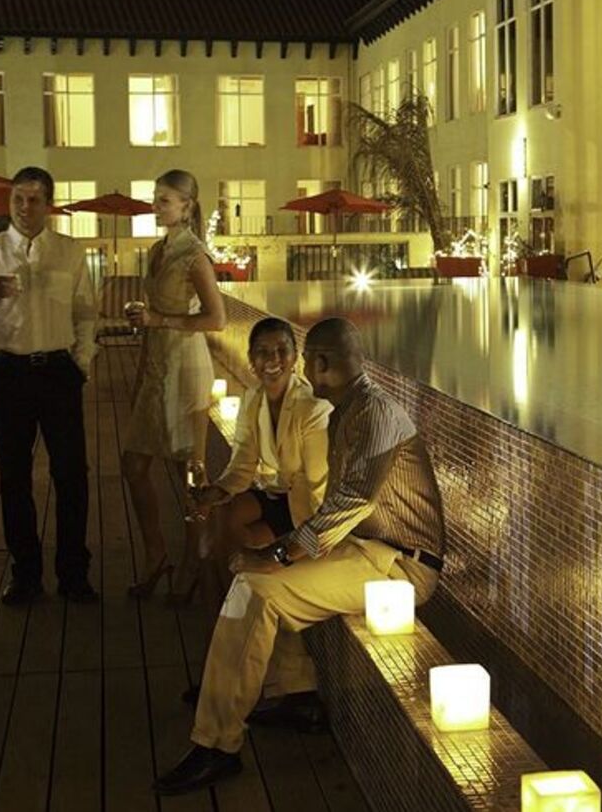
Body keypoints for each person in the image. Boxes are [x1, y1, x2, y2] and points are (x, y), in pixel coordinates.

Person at [153, 317, 447, 796]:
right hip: (364, 549)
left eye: (307, 360)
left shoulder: (374, 413)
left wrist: (281, 552)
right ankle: (285, 697)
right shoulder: (349, 410)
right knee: (253, 584)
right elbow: (332, 503)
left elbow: (352, 500)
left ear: (322, 362)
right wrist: (281, 550)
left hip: (399, 567)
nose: (304, 371)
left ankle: (218, 743)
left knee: (258, 586)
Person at [0, 167, 100, 605]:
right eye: (18, 197)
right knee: (14, 475)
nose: (25, 206)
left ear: (49, 204)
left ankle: (74, 572)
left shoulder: (70, 252)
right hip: (7, 371)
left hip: (58, 370)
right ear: (9, 201)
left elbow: (86, 311)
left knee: (72, 474)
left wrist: (82, 362)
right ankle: (26, 574)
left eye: (35, 199)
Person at [121, 169, 225, 600]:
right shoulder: (158, 250)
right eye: (155, 198)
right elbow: (153, 316)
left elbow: (216, 320)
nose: (155, 206)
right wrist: (143, 359)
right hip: (157, 364)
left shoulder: (194, 255)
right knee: (134, 464)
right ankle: (156, 555)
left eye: (164, 200)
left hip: (186, 365)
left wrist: (158, 320)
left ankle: (193, 564)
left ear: (188, 206)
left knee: (192, 470)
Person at [189, 317, 331, 601]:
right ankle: (229, 598)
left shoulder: (313, 409)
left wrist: (314, 543)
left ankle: (227, 601)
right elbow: (242, 464)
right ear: (251, 360)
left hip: (307, 509)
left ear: (295, 358)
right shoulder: (254, 398)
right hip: (278, 494)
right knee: (223, 514)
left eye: (282, 350)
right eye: (263, 351)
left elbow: (319, 487)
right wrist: (216, 491)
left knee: (234, 545)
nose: (273, 359)